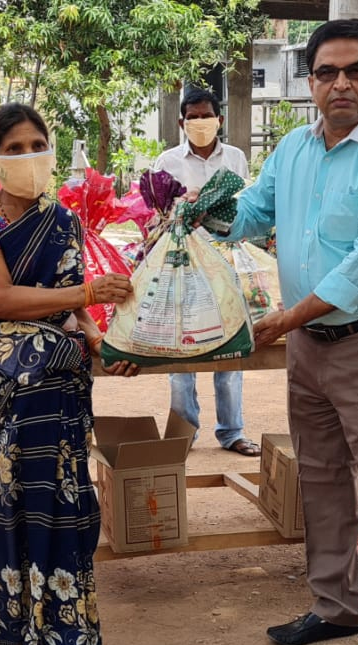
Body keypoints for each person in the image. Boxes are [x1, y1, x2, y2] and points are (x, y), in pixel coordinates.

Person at [224, 19, 358, 645]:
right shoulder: (293, 149)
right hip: (309, 347)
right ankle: (335, 607)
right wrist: (191, 213)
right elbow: (252, 214)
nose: (340, 83)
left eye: (356, 70)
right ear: (308, 81)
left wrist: (282, 321)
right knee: (320, 477)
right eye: (326, 72)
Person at [0, 103, 137, 645]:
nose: (28, 155)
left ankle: (64, 632)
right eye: (14, 148)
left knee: (61, 502)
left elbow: (71, 305)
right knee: (3, 505)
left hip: (59, 389)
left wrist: (101, 341)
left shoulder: (61, 221)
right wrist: (82, 296)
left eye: (38, 144)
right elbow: (0, 299)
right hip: (5, 391)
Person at [152, 88, 259, 457]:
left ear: (220, 120)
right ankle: (184, 432)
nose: (200, 123)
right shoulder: (166, 162)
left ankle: (232, 432)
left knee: (229, 346)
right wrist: (182, 210)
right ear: (182, 122)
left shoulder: (235, 159)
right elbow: (155, 215)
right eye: (192, 117)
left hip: (225, 259)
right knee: (182, 349)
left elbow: (244, 208)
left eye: (205, 116)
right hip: (180, 263)